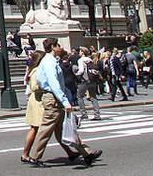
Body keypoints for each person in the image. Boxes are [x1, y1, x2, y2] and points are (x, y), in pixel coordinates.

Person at [28, 38, 101, 167]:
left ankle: (87, 153)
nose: (61, 47)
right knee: (46, 129)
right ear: (52, 47)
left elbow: (44, 81)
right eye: (58, 45)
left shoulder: (48, 61)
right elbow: (54, 83)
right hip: (53, 98)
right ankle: (34, 156)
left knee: (65, 129)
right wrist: (65, 101)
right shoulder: (49, 62)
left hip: (54, 97)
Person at [21, 51, 45, 163]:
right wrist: (46, 87)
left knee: (40, 128)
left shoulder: (34, 70)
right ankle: (27, 154)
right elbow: (35, 87)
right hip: (37, 101)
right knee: (36, 128)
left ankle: (71, 152)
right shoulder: (36, 71)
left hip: (37, 101)